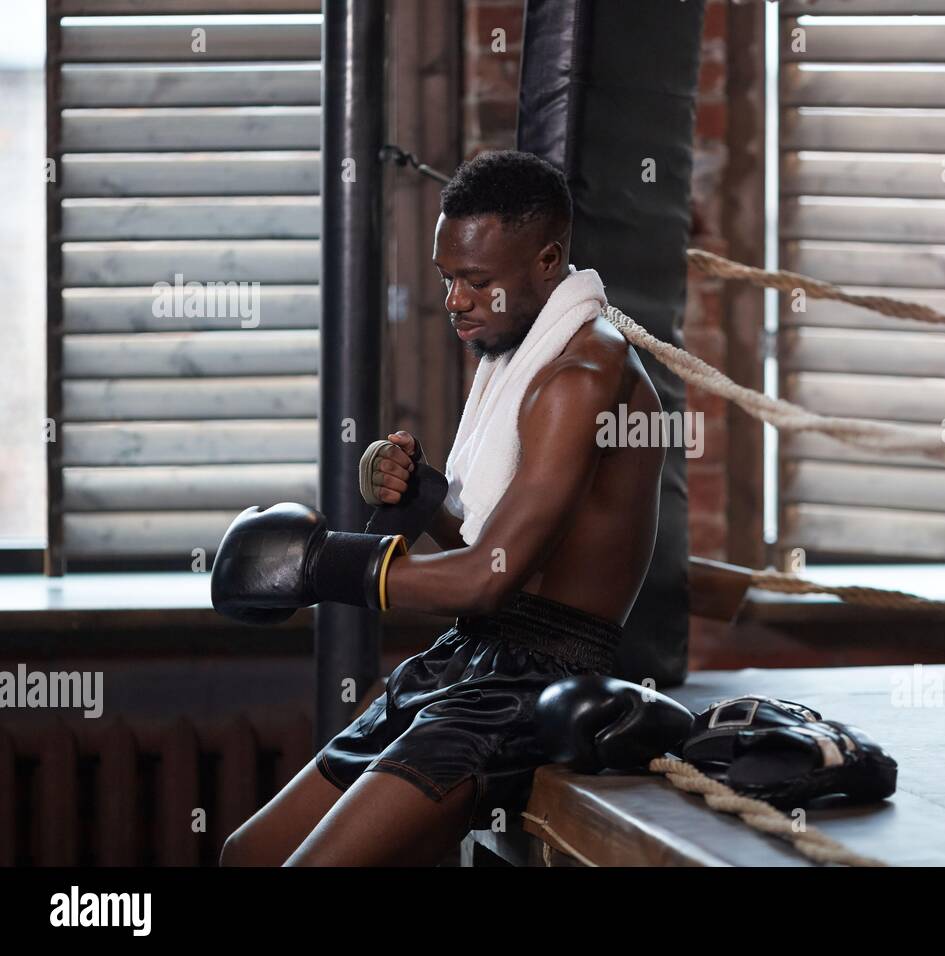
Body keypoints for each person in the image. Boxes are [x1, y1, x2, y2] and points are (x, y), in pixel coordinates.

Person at [216, 149, 665, 866]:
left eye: (476, 281)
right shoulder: (519, 355)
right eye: (448, 277)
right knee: (247, 854)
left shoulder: (583, 376)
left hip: (533, 683)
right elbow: (504, 546)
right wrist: (427, 496)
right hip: (471, 656)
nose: (454, 299)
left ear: (548, 260)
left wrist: (319, 566)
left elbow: (488, 579)